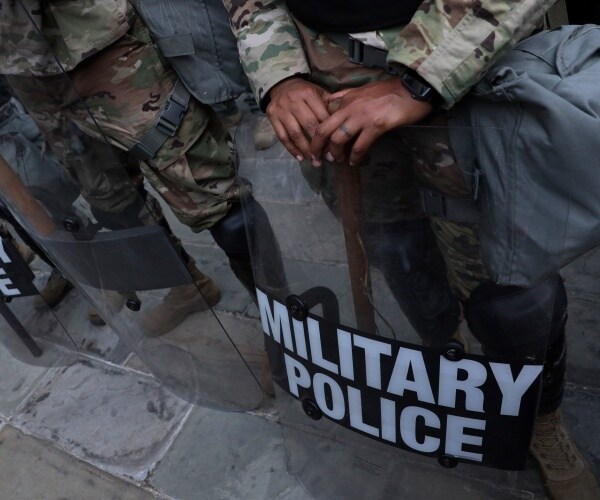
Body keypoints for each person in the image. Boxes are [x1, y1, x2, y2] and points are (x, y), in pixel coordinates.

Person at [222, 0, 600, 497]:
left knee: (510, 290)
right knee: (398, 253)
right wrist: (279, 73)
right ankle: (444, 363)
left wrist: (419, 80)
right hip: (330, 85)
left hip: (476, 65)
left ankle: (540, 416)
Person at [0, 1, 287, 337]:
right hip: (20, 62)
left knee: (217, 201)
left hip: (95, 39)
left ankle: (285, 331)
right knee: (109, 197)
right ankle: (188, 285)